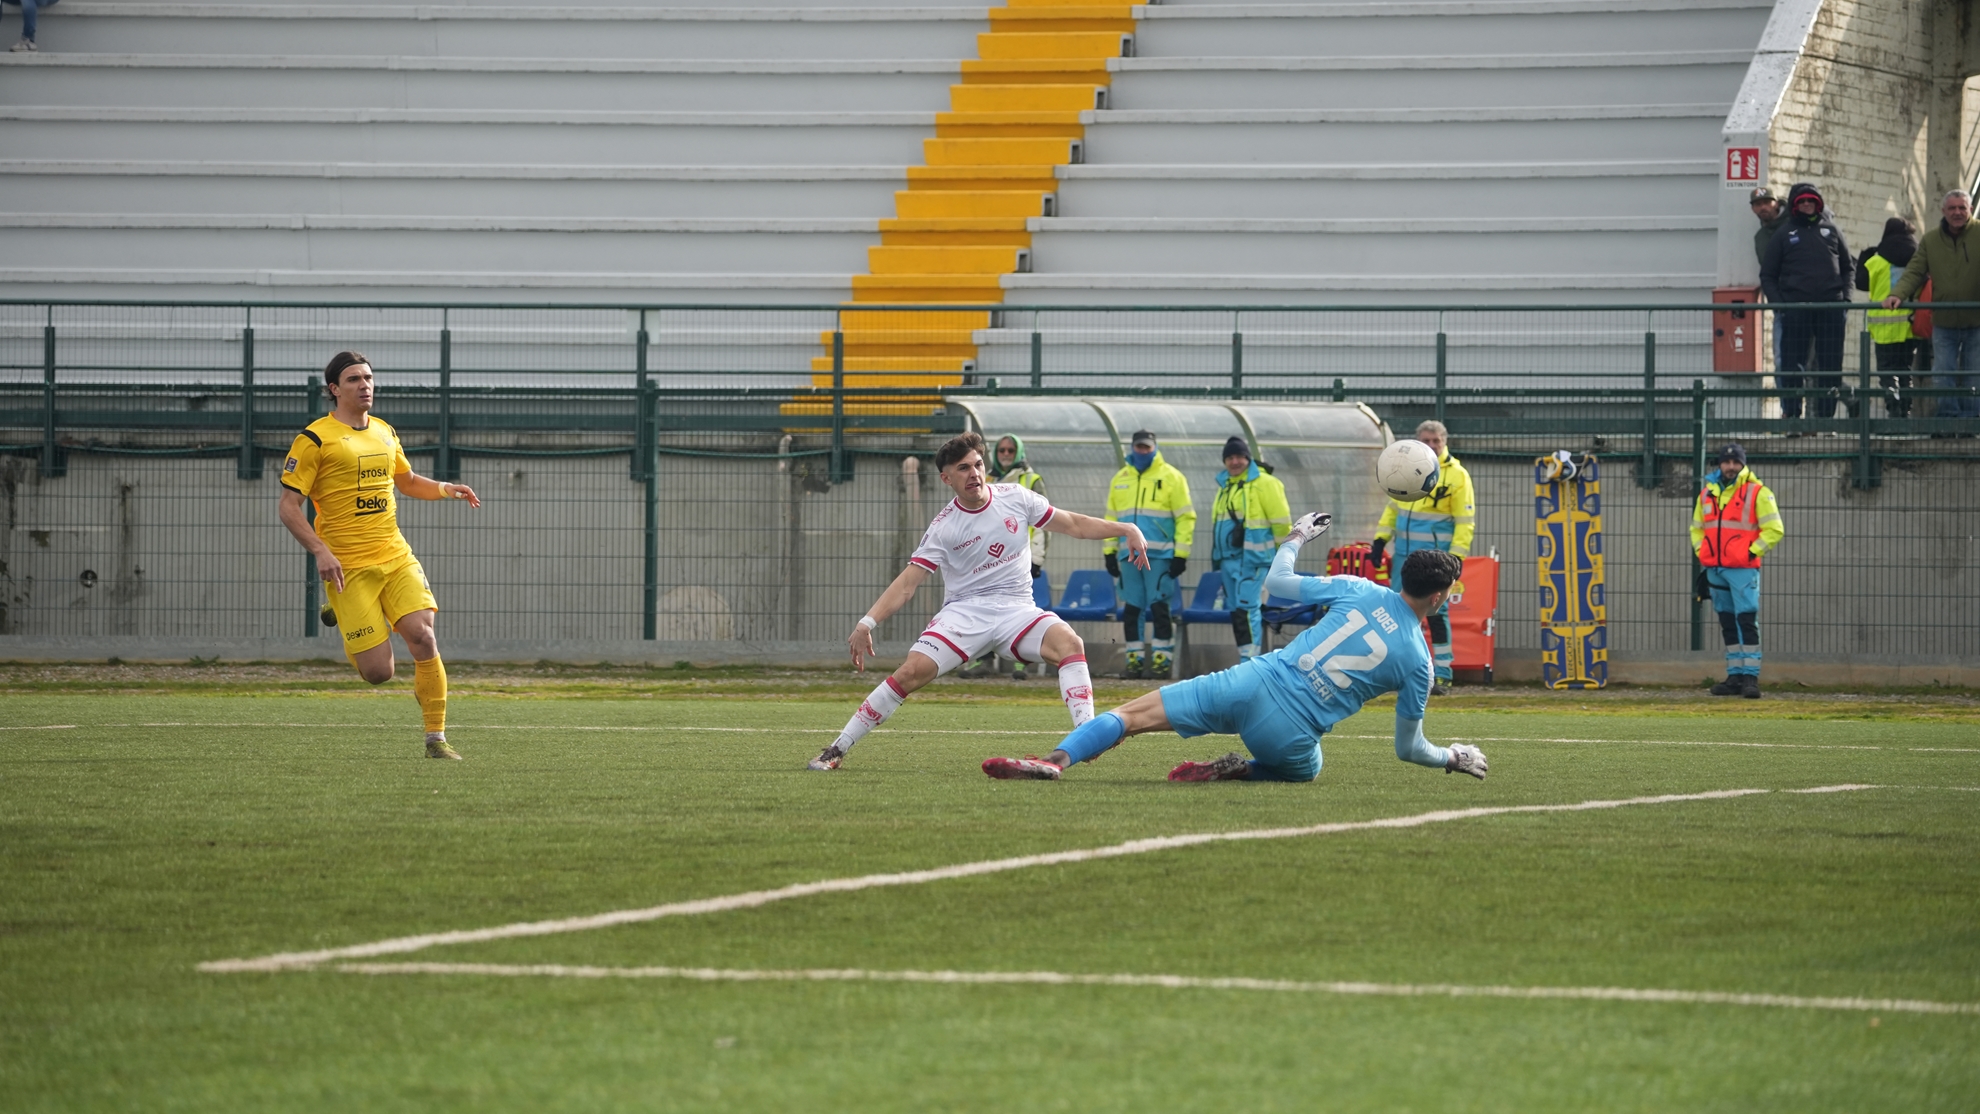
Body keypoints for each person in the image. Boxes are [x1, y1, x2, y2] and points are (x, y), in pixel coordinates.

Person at [981, 516, 1489, 784]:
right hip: (1288, 737)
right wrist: (1453, 757)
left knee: (1133, 715)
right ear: (1440, 597)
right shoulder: (1418, 663)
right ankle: (1242, 769)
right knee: (1309, 768)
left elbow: (1279, 582)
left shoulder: (1359, 588)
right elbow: (1408, 749)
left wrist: (1294, 537)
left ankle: (1055, 760)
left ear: (1402, 576)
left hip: (1250, 682)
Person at [808, 432, 1149, 771]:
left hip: (1017, 609)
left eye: (978, 464)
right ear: (947, 479)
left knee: (1069, 642)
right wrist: (867, 623)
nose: (974, 473)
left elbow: (1075, 524)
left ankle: (1085, 737)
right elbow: (907, 584)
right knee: (911, 672)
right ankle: (837, 748)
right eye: (963, 468)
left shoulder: (1016, 497)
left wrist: (1126, 529)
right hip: (965, 613)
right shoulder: (944, 527)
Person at [277, 351, 482, 759]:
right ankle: (344, 606)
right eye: (353, 379)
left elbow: (405, 481)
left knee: (423, 638)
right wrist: (320, 550)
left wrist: (446, 488)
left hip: (395, 556)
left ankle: (436, 739)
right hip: (347, 566)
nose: (365, 385)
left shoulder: (385, 432)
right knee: (378, 673)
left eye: (368, 378)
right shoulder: (315, 439)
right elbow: (288, 506)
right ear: (334, 389)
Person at [1370, 420, 1474, 695]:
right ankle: (1397, 672)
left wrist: (1457, 557)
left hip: (1436, 561)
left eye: (1436, 441)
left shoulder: (1457, 475)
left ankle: (1442, 674)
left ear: (1444, 442)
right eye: (1426, 441)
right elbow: (1393, 508)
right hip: (1404, 558)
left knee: (1436, 616)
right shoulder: (1404, 467)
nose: (1431, 445)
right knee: (1396, 614)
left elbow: (1465, 521)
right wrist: (1381, 538)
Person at [1690, 443, 1784, 700]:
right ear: (1719, 464)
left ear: (1742, 464)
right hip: (1716, 568)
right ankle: (1735, 676)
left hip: (1742, 568)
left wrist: (1751, 552)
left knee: (1746, 622)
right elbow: (1696, 529)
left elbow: (1775, 529)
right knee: (1728, 624)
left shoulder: (1758, 493)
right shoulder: (1706, 494)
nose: (1731, 467)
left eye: (1735, 462)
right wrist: (1703, 553)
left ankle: (1751, 678)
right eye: (1726, 462)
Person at [1103, 430, 1195, 679]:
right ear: (1132, 448)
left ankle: (1161, 664)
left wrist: (1180, 555)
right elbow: (1112, 519)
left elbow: (1186, 517)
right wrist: (1109, 551)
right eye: (1139, 447)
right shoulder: (1120, 478)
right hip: (1128, 556)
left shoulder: (1172, 477)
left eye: (1147, 447)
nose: (1142, 451)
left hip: (1160, 555)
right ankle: (1134, 663)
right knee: (1132, 609)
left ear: (1154, 448)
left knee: (1159, 608)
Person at [1760, 182, 1852, 424]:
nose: (1807, 205)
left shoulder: (1832, 231)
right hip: (1795, 311)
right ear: (1794, 205)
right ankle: (1791, 416)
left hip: (1830, 310)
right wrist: (1781, 305)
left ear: (1818, 203)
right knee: (1791, 366)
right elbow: (1768, 275)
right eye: (1802, 201)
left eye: (1811, 201)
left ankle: (1825, 419)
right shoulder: (1783, 234)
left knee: (1830, 366)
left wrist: (1846, 300)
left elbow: (1847, 268)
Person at [1887, 190, 1980, 429]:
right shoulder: (1930, 240)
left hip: (1976, 321)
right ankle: (1948, 422)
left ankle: (1971, 423)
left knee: (1974, 374)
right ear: (1944, 212)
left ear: (1969, 209)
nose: (1957, 212)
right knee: (1943, 373)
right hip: (1944, 322)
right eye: (1952, 208)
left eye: (1962, 207)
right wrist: (1897, 294)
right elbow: (1915, 271)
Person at [963, 434, 1050, 680]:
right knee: (983, 608)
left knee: (1020, 610)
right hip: (986, 559)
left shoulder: (1030, 479)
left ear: (1019, 452)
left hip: (1020, 556)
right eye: (1001, 450)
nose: (1005, 454)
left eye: (1011, 450)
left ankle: (1021, 664)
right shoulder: (985, 478)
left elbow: (1043, 523)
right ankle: (984, 660)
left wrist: (1038, 559)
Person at [1209, 436, 1290, 661]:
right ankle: (1245, 658)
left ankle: (1250, 663)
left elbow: (1282, 523)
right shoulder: (1225, 485)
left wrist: (1284, 556)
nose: (1235, 462)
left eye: (1239, 457)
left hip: (1253, 559)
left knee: (1248, 610)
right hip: (1228, 560)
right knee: (1238, 612)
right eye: (1230, 458)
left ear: (1248, 458)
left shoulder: (1266, 484)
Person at [1856, 217, 1923, 418]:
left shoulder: (1876, 261)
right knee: (1905, 369)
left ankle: (1893, 411)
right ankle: (1906, 411)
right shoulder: (1917, 259)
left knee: (1887, 372)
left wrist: (1864, 257)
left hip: (1883, 325)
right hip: (1909, 326)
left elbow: (1861, 283)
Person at [1751, 187, 1789, 381]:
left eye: (1767, 202)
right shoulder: (1761, 238)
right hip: (1781, 306)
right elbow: (1768, 273)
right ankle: (1787, 411)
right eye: (1758, 204)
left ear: (1776, 204)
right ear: (1753, 210)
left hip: (1807, 299)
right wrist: (1777, 302)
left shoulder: (1794, 223)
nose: (1763, 207)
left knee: (1813, 364)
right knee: (1781, 361)